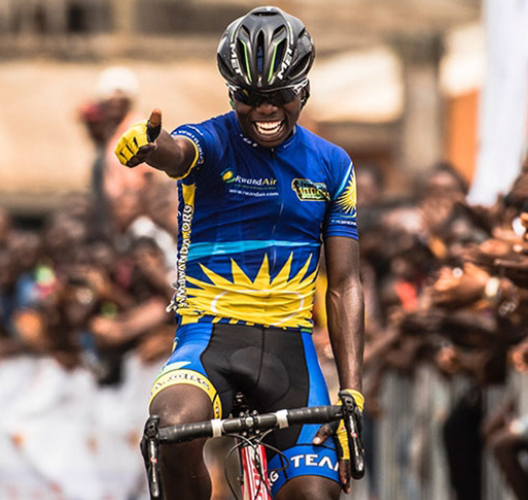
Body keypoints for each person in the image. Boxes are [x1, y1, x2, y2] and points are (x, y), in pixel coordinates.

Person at [113, 7, 364, 500]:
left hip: (292, 352)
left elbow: (346, 284)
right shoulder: (212, 140)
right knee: (169, 427)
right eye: (250, 98)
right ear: (232, 94)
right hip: (209, 340)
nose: (265, 110)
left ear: (304, 91)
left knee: (316, 494)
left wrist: (352, 391)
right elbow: (177, 152)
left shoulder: (333, 165)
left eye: (279, 96)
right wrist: (150, 146)